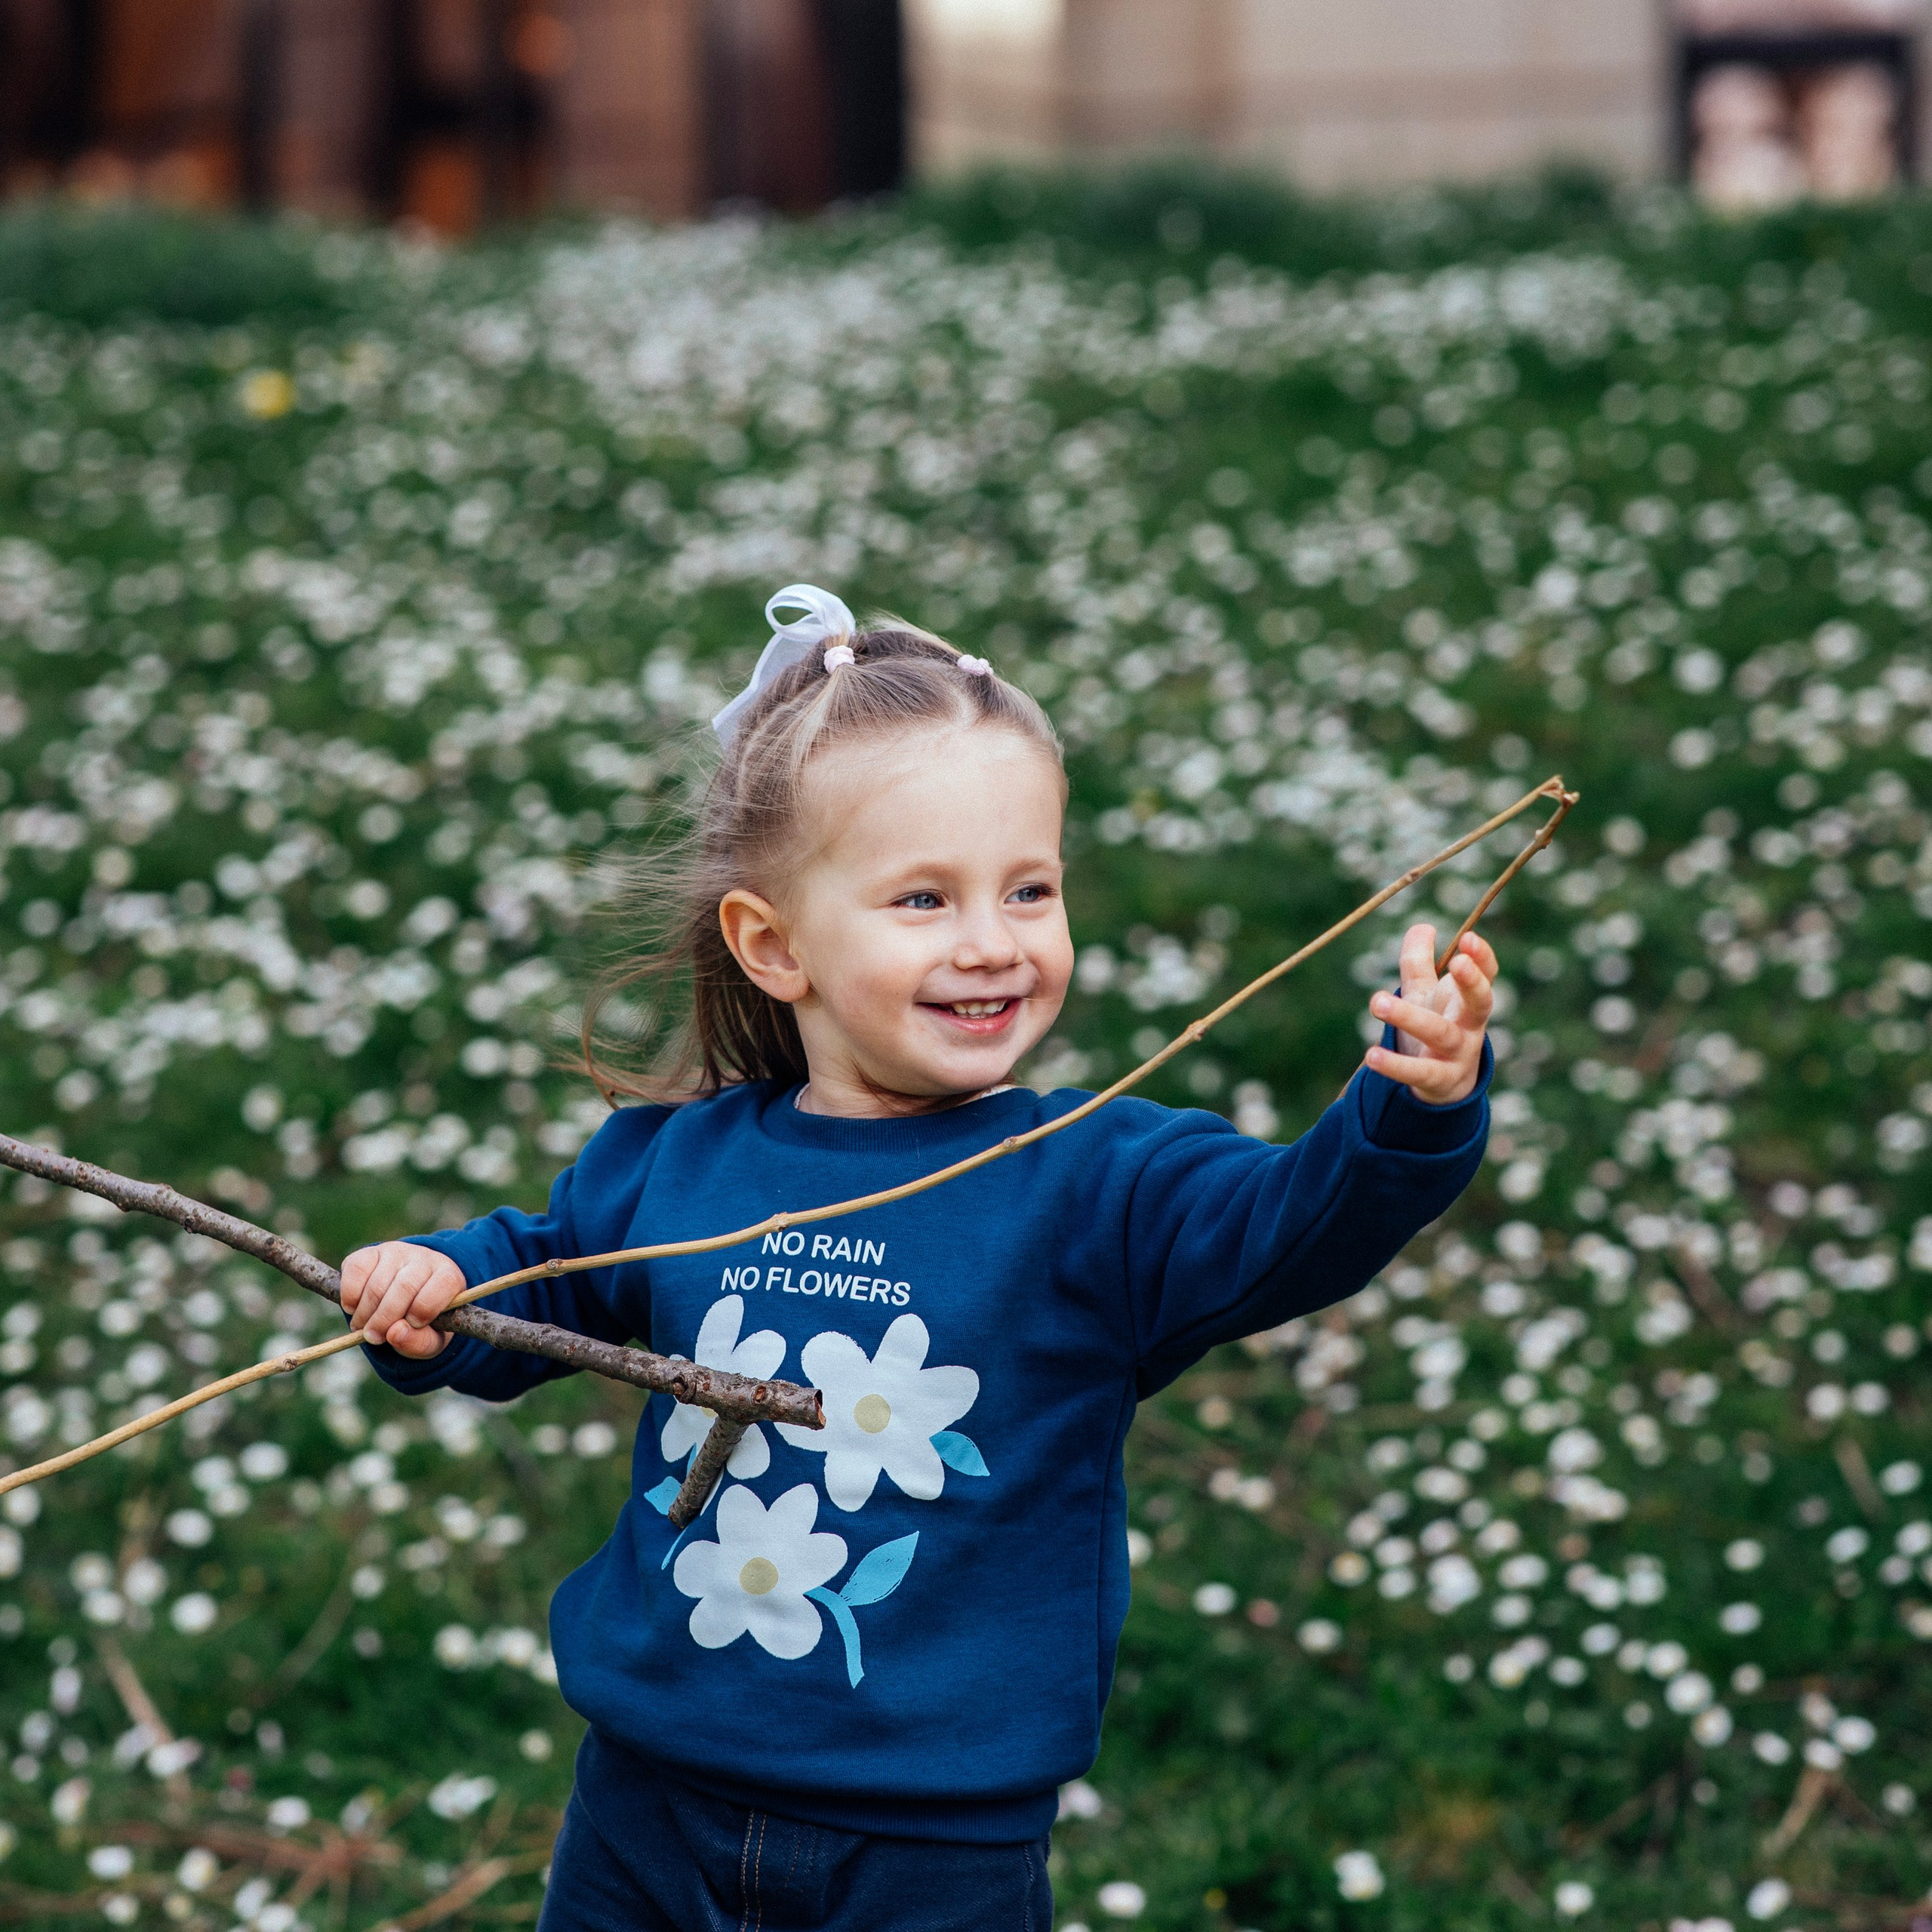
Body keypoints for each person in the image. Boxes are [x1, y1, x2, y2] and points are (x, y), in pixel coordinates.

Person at [340, 586, 1497, 1930]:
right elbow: (533, 1279)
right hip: (645, 1807)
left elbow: (1291, 1226)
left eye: (1030, 889)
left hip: (933, 1848)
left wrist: (1408, 1112)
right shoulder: (677, 1162)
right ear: (776, 946)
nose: (991, 943)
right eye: (923, 899)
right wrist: (436, 1288)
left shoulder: (1101, 1181)